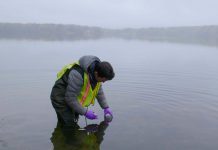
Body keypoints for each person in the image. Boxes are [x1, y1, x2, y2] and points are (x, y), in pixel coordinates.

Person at [50, 55, 115, 126]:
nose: (103, 82)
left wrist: (106, 107)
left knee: (74, 120)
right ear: (96, 74)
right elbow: (70, 98)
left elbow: (99, 92)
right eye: (103, 80)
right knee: (69, 124)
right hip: (60, 97)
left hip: (72, 96)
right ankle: (63, 133)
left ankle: (60, 134)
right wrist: (85, 112)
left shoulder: (96, 73)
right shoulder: (78, 75)